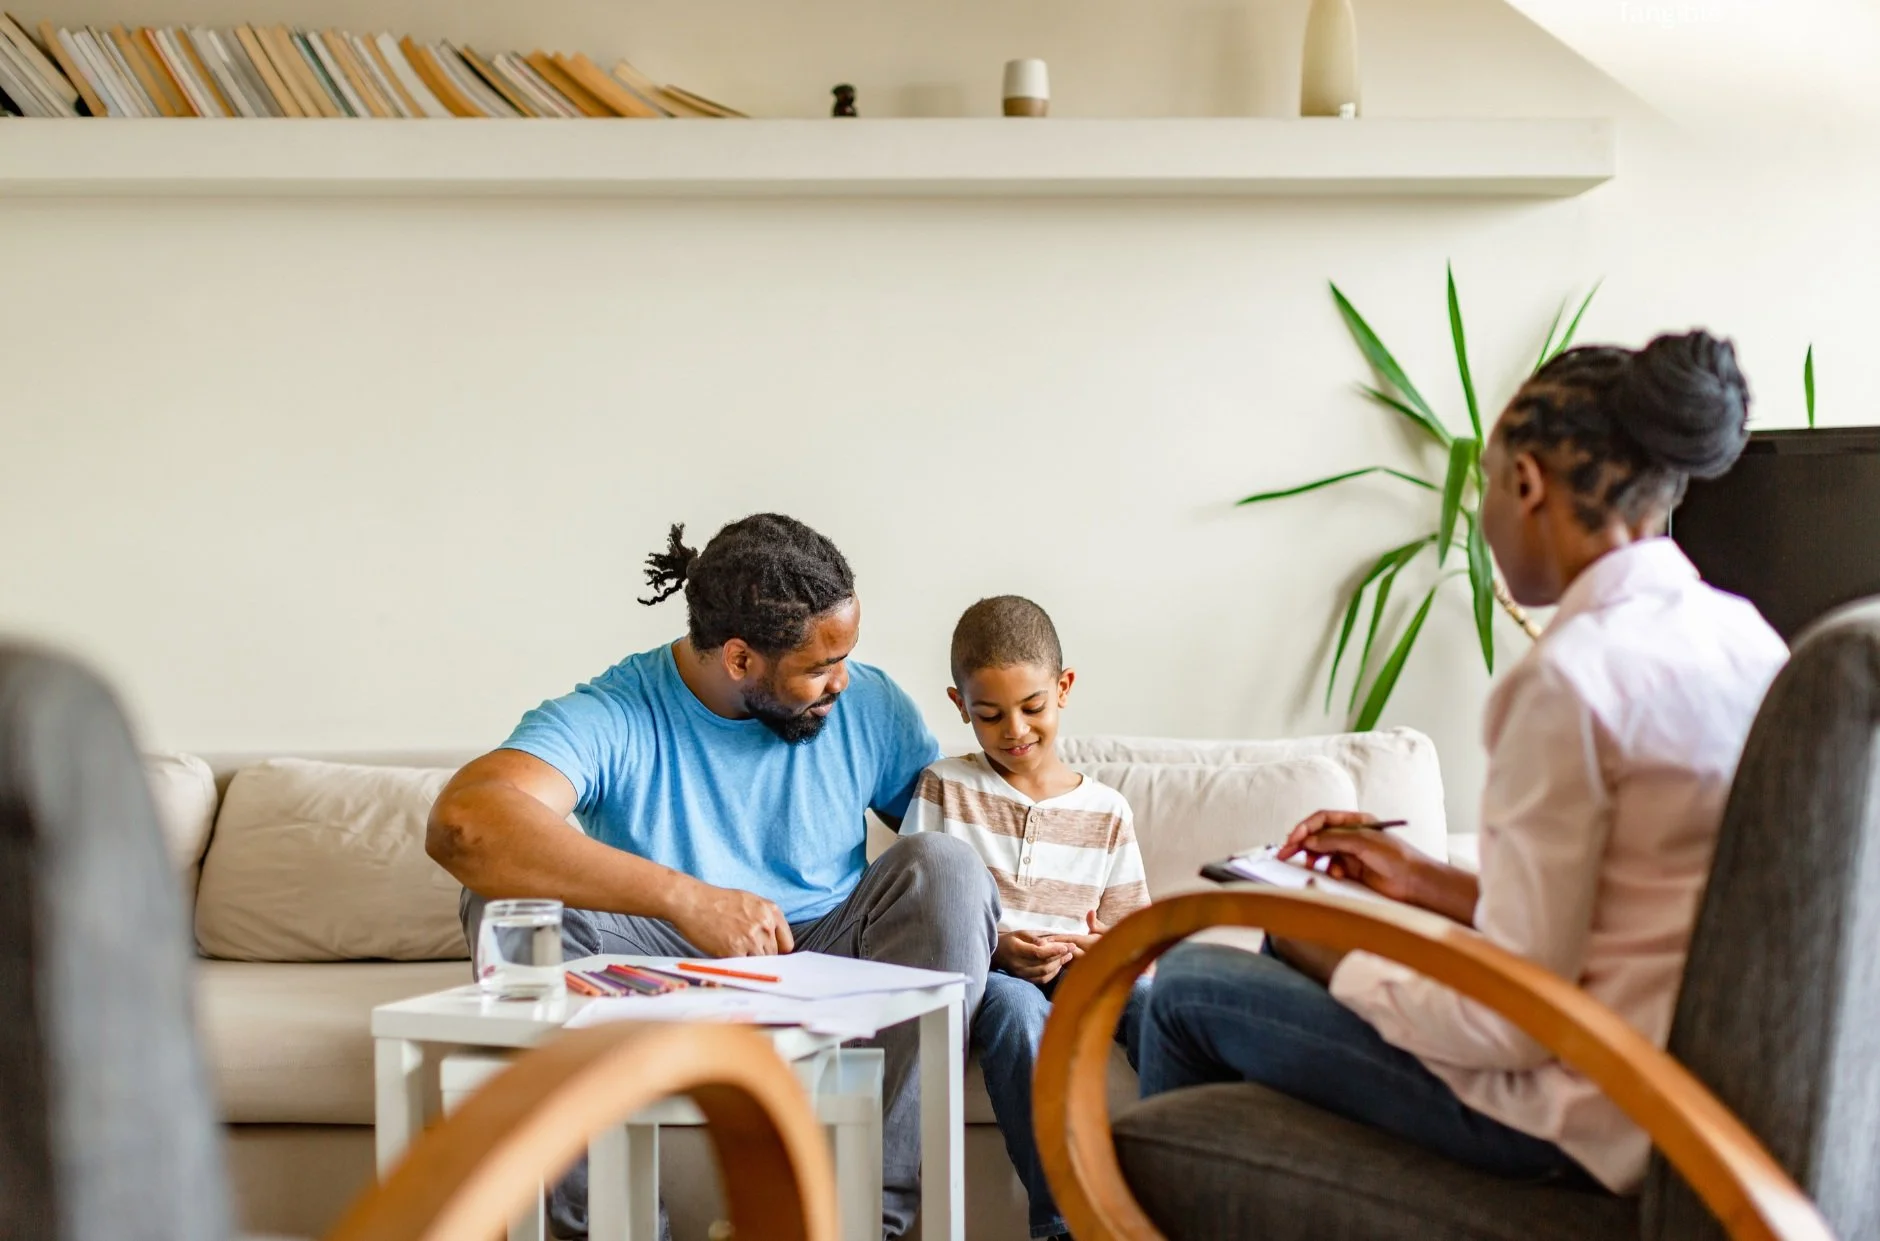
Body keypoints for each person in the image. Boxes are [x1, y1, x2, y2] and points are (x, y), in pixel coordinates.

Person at [1136, 330, 1788, 1201]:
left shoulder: (1570, 679)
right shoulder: (1745, 636)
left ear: (1527, 485)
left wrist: (1333, 953)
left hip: (1580, 1115)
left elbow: (1511, 1023)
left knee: (1184, 986)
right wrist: (1422, 881)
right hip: (1687, 1101)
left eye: (1485, 482)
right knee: (1190, 993)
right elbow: (1619, 918)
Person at [427, 513, 999, 1240]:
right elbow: (464, 822)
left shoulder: (870, 704)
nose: (841, 680)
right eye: (819, 666)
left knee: (948, 866)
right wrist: (684, 896)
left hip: (826, 948)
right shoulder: (617, 710)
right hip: (657, 966)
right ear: (738, 659)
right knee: (507, 898)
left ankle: (861, 1224)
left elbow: (963, 835)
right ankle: (613, 1231)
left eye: (846, 654)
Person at [902, 595, 1151, 1241]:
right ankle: (1065, 1223)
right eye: (989, 714)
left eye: (1032, 707)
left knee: (1158, 1000)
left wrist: (1103, 949)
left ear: (1063, 688)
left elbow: (1134, 936)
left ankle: (1188, 1183)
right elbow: (917, 913)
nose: (1014, 729)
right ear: (960, 706)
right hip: (993, 974)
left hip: (1079, 969)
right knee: (1018, 1012)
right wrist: (999, 947)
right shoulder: (944, 787)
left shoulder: (1108, 810)